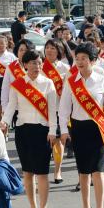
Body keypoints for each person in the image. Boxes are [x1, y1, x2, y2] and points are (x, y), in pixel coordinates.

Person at [59, 42, 104, 208]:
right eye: (77, 59)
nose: (80, 62)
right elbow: (63, 109)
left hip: (98, 130)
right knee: (83, 172)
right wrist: (63, 130)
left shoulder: (102, 80)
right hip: (79, 129)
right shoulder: (71, 82)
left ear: (93, 61)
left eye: (84, 58)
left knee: (98, 171)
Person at [0, 50, 57, 208]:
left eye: (39, 63)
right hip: (23, 131)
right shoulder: (17, 85)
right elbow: (11, 107)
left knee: (42, 173)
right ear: (25, 65)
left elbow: (52, 111)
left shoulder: (48, 84)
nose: (36, 66)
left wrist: (53, 131)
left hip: (43, 132)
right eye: (32, 63)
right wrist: (4, 122)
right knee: (27, 172)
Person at [43, 40, 70, 183]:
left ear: (58, 50)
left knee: (58, 141)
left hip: (59, 110)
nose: (49, 50)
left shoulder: (65, 68)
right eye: (47, 48)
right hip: (42, 110)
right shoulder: (39, 66)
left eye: (52, 48)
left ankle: (57, 170)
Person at [1, 39, 35, 110]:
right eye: (21, 50)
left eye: (26, 50)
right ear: (17, 51)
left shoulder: (37, 66)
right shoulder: (11, 67)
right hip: (16, 108)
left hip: (34, 107)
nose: (23, 52)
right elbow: (5, 89)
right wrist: (4, 108)